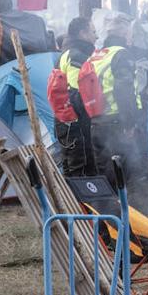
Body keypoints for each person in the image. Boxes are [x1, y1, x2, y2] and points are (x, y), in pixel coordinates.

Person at [86, 29, 148, 211]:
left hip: (98, 124)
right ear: (124, 42)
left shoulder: (95, 58)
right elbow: (124, 89)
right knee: (138, 176)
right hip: (120, 126)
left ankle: (108, 229)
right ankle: (142, 232)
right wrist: (129, 124)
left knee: (107, 178)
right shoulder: (121, 54)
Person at [51, 16, 98, 177]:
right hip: (75, 125)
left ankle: (77, 201)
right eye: (93, 31)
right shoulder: (75, 56)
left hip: (68, 123)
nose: (96, 36)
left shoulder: (70, 53)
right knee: (81, 171)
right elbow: (77, 95)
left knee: (75, 169)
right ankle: (81, 202)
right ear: (82, 33)